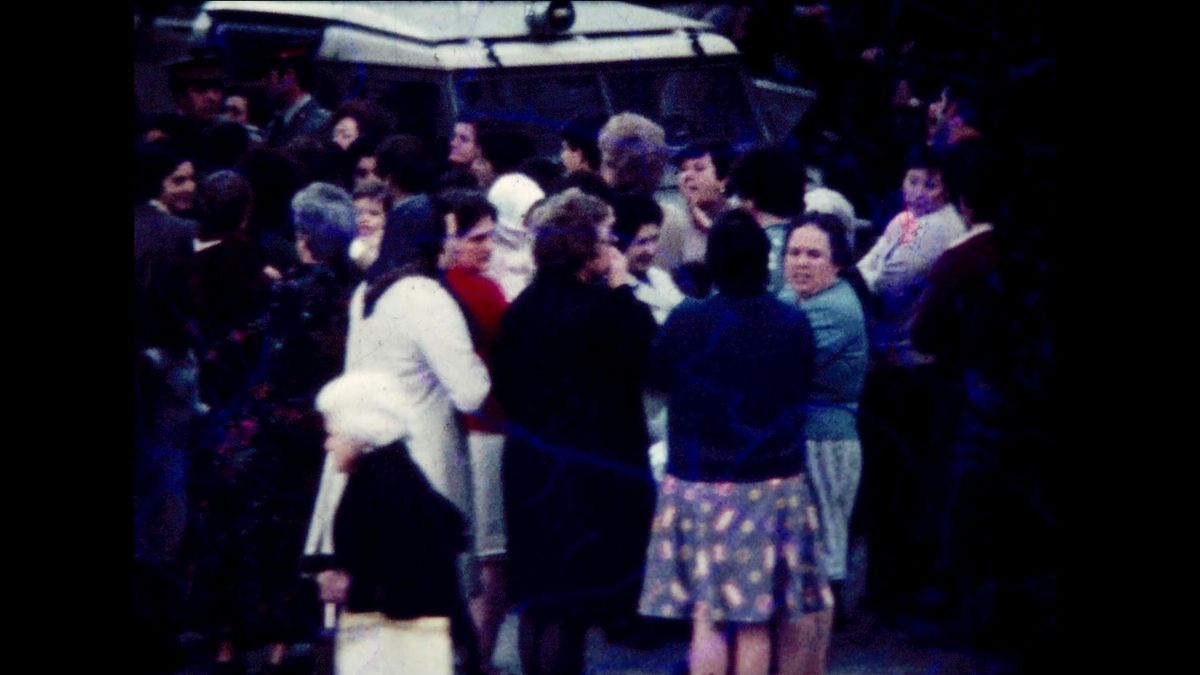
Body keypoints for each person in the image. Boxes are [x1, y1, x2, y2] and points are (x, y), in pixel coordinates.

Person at [638, 209, 833, 675]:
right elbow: (802, 385)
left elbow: (655, 378)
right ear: (765, 260)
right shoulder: (791, 322)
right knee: (754, 623)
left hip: (697, 482)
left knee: (707, 619)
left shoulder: (687, 320)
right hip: (771, 482)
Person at [491, 188, 658, 675]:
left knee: (540, 598)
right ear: (586, 246)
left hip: (528, 462)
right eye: (606, 236)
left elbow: (506, 386)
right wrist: (624, 286)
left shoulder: (520, 309)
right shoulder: (604, 309)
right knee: (572, 607)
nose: (614, 246)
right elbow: (650, 356)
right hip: (586, 469)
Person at [854, 147, 966, 617]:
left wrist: (868, 276)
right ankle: (888, 585)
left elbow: (887, 282)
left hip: (913, 366)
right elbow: (866, 268)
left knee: (902, 481)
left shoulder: (942, 228)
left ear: (947, 191)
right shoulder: (902, 221)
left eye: (930, 184)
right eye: (912, 181)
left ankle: (898, 589)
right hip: (888, 358)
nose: (918, 193)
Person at [313, 370, 468, 675]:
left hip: (399, 634)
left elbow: (397, 558)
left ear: (360, 429)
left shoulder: (380, 482)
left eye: (333, 433)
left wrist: (349, 577)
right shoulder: (389, 472)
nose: (327, 445)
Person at [778, 213, 869, 629]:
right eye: (794, 252)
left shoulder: (834, 306)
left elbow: (776, 361)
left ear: (837, 264)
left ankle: (818, 643)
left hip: (827, 441)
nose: (800, 262)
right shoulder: (795, 298)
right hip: (802, 436)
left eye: (814, 254)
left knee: (824, 545)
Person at [437, 188, 513, 670]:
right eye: (476, 238)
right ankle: (478, 658)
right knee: (492, 554)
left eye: (491, 237)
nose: (487, 248)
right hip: (488, 429)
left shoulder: (427, 285)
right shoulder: (480, 291)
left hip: (449, 432)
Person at [610, 193, 685, 324]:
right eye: (642, 242)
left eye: (654, 239)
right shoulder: (613, 291)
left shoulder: (660, 276)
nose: (652, 250)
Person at [264, 48, 333, 149]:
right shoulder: (275, 123)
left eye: (270, 77)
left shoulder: (319, 122)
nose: (267, 84)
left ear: (289, 77)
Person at [348, 177, 392, 272]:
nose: (364, 218)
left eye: (374, 213)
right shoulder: (347, 244)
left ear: (387, 217)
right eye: (358, 213)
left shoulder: (389, 245)